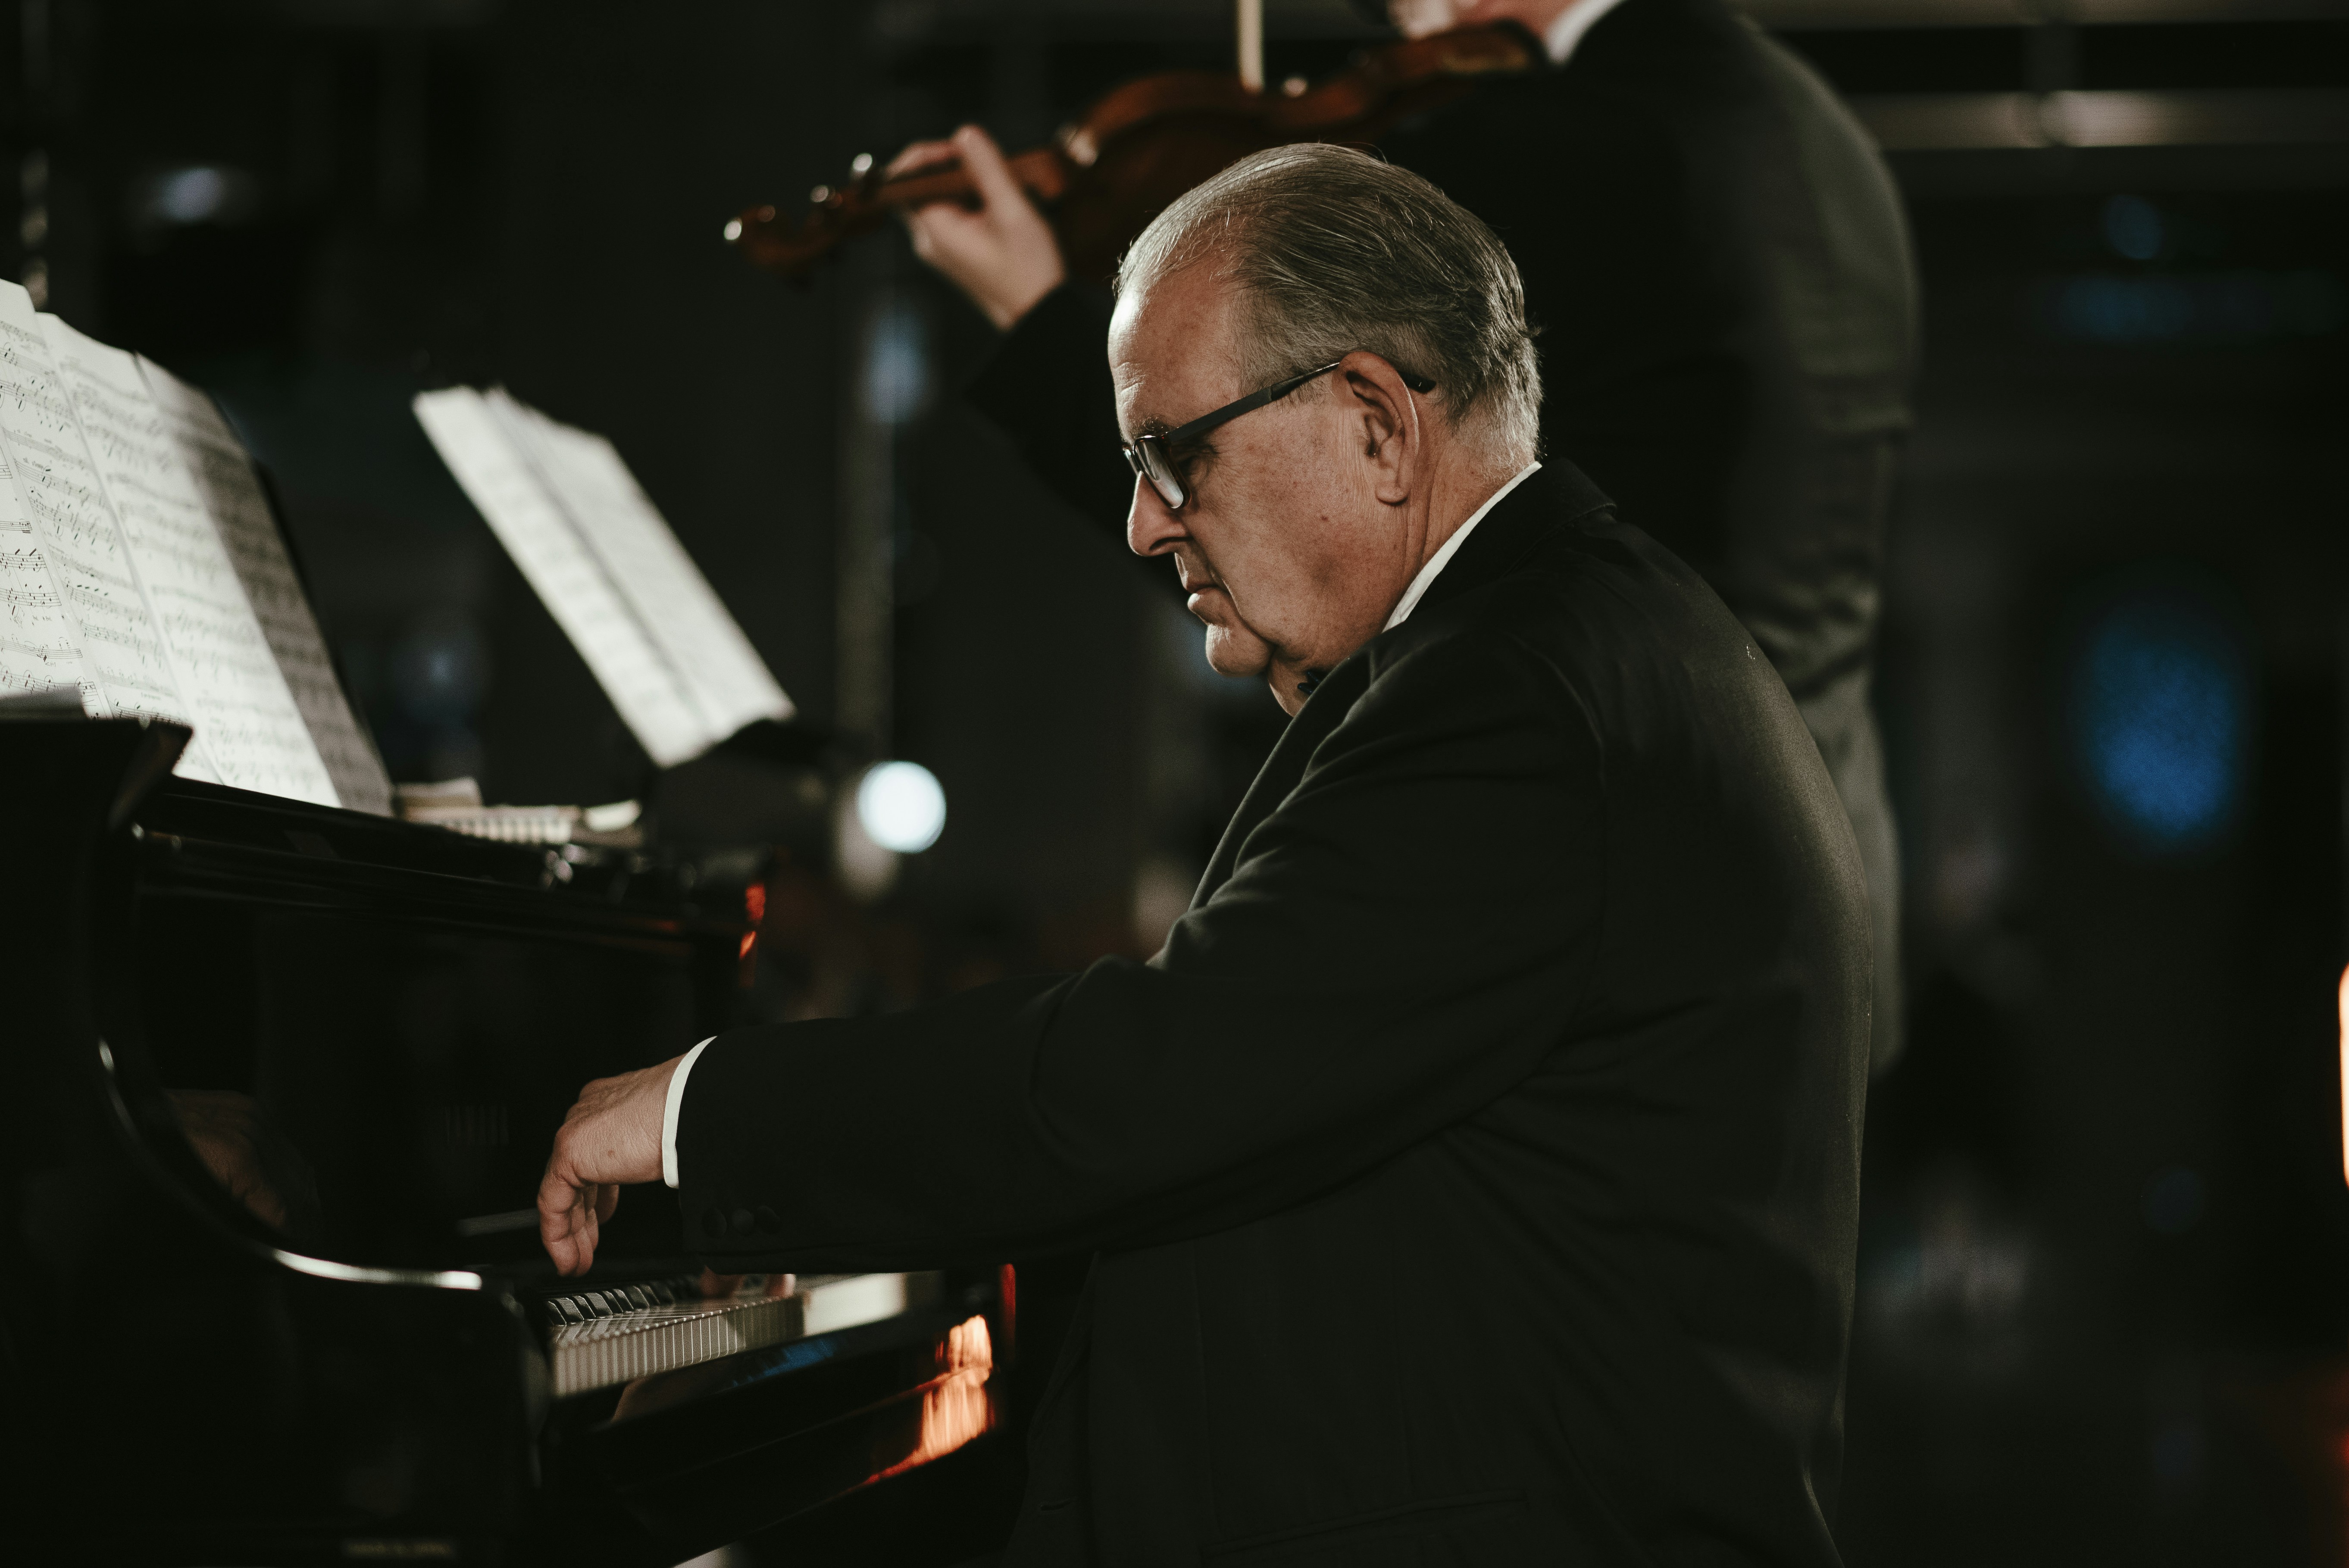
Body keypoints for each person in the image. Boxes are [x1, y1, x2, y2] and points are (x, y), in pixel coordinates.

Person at [540, 146, 1870, 1565]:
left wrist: (701, 1109)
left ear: (1377, 425)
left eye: (1174, 457)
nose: (1141, 521)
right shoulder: (1557, 639)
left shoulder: (1517, 698)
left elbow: (1150, 1080)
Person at [896, 0, 1917, 1071]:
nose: (1394, 23)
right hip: (1813, 891)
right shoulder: (1828, 147)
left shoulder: (1544, 145)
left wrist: (1036, 313)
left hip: (1589, 892)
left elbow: (1337, 534)